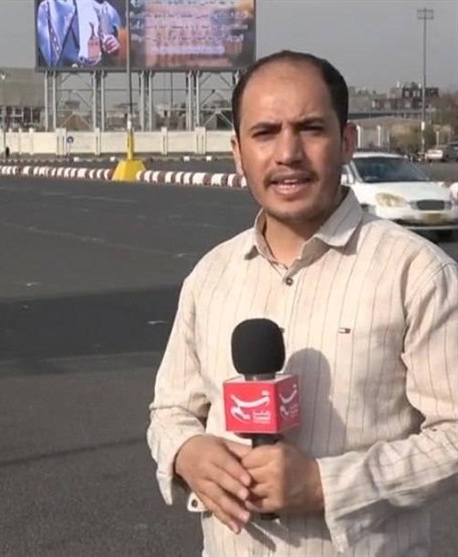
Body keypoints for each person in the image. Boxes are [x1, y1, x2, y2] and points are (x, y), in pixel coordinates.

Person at [147, 50, 457, 557]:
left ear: (346, 141)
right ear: (237, 152)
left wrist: (324, 484)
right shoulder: (211, 275)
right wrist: (186, 451)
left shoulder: (416, 274)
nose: (288, 153)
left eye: (310, 129)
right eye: (265, 133)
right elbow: (170, 410)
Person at [36, 0, 121, 68]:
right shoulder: (48, 8)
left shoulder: (107, 10)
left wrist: (113, 46)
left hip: (95, 76)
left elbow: (115, 47)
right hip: (60, 76)